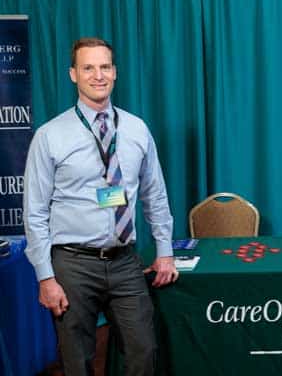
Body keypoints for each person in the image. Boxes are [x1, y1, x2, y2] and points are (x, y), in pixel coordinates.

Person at [24, 37, 178, 375]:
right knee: (76, 361)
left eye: (105, 67)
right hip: (72, 265)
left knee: (144, 351)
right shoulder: (50, 135)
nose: (98, 75)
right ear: (73, 74)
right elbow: (34, 212)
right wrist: (45, 277)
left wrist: (165, 251)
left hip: (125, 262)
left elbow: (155, 194)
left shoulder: (136, 129)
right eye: (88, 68)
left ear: (115, 72)